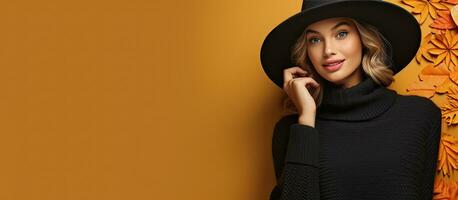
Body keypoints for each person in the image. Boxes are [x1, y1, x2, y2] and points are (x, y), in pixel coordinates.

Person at [259, 0, 442, 200]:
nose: (328, 50)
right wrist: (306, 120)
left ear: (364, 38)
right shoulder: (292, 130)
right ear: (306, 51)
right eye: (314, 40)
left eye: (341, 34)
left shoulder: (420, 116)